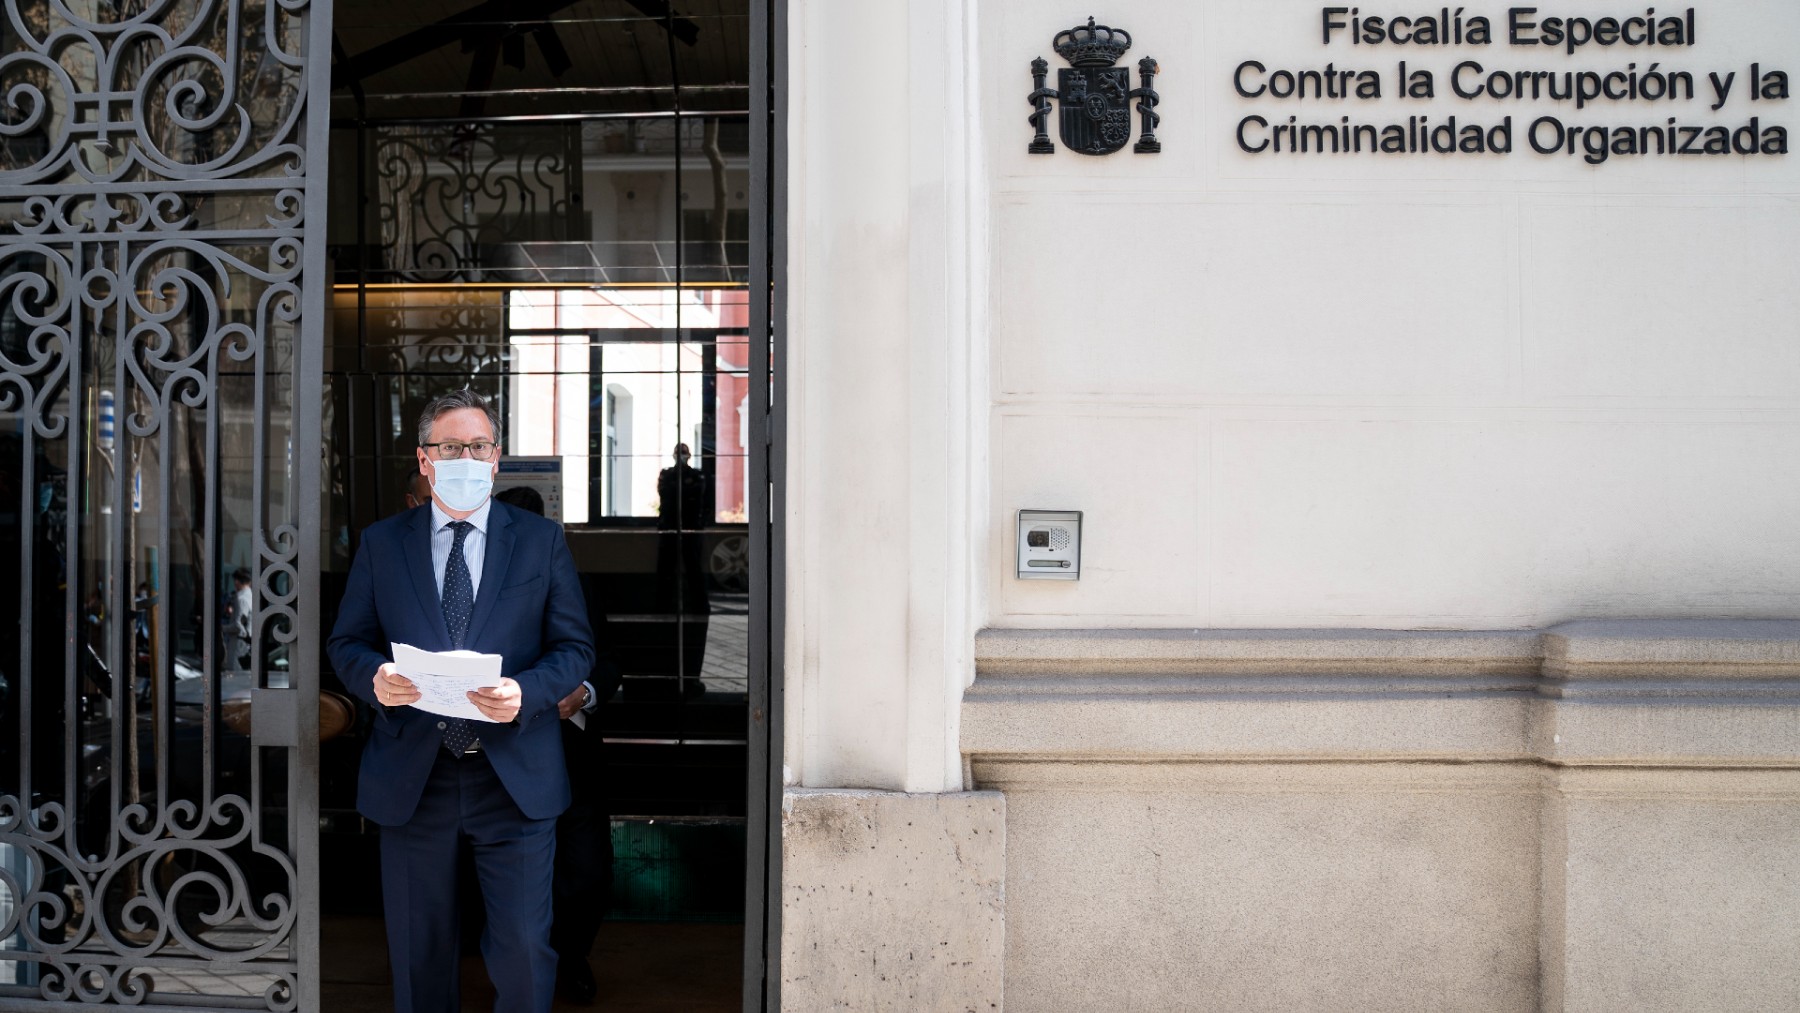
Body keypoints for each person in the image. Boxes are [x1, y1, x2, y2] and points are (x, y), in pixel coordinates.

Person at [327, 389, 595, 1013]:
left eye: (478, 446)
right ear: (425, 459)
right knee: (418, 958)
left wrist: (526, 692)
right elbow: (346, 642)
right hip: (414, 777)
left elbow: (575, 648)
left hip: (514, 776)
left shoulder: (539, 540)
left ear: (496, 458)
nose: (465, 457)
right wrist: (376, 678)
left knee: (527, 953)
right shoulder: (381, 542)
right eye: (451, 447)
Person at [494, 484, 617, 1005]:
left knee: (586, 870)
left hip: (571, 756)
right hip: (501, 755)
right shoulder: (474, 589)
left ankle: (572, 956)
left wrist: (583, 692)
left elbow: (606, 661)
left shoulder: (578, 584)